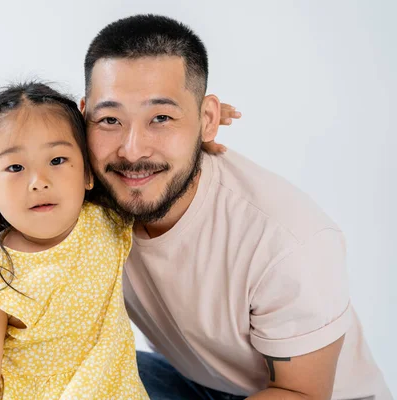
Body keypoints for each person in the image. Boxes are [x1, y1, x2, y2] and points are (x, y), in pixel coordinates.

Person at [80, 14, 392, 399]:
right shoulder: (82, 188)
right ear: (84, 118)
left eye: (161, 118)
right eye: (110, 119)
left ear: (207, 120)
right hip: (197, 382)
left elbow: (303, 393)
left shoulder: (288, 241)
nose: (133, 150)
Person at [0, 82, 149, 399]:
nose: (39, 182)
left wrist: (197, 131)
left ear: (88, 172)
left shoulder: (103, 221)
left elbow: (156, 173)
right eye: (15, 167)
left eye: (57, 161)